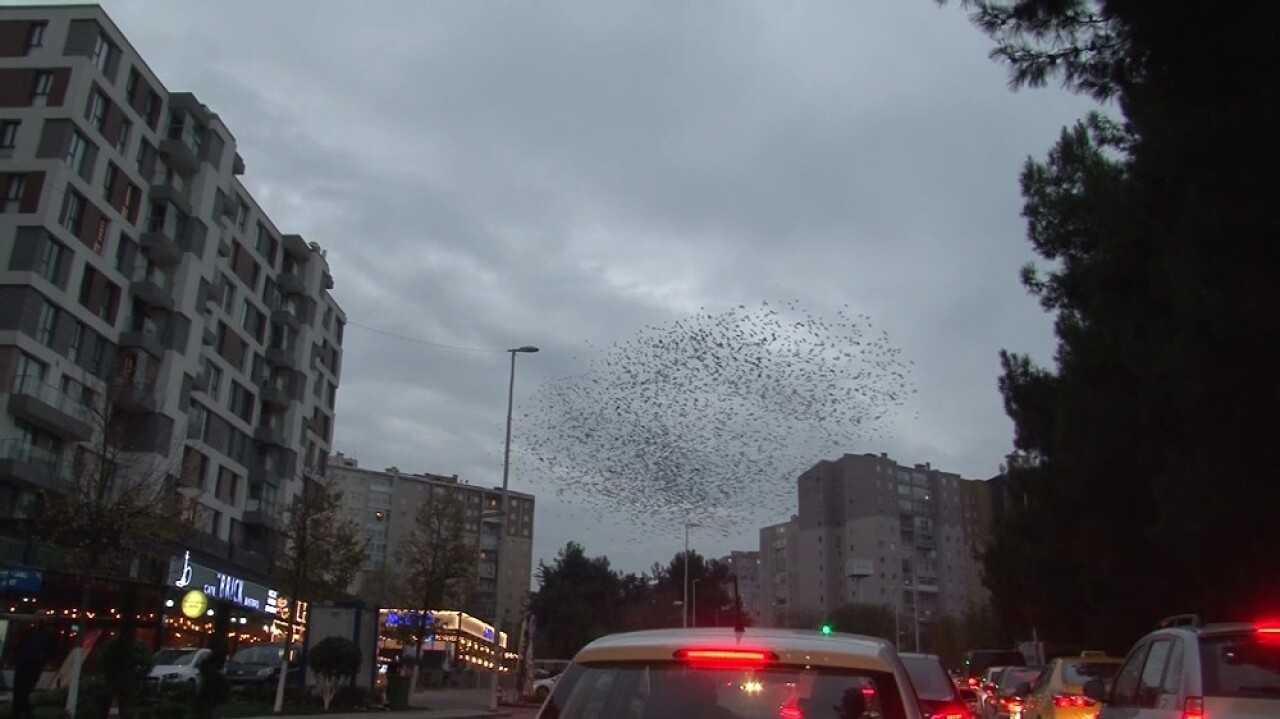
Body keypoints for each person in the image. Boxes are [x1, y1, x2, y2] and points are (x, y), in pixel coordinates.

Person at [11, 621, 58, 719]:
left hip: (32, 665)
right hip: (26, 664)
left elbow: (52, 651)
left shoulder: (45, 635)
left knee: (22, 692)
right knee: (20, 692)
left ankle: (22, 712)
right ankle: (21, 712)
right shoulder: (29, 632)